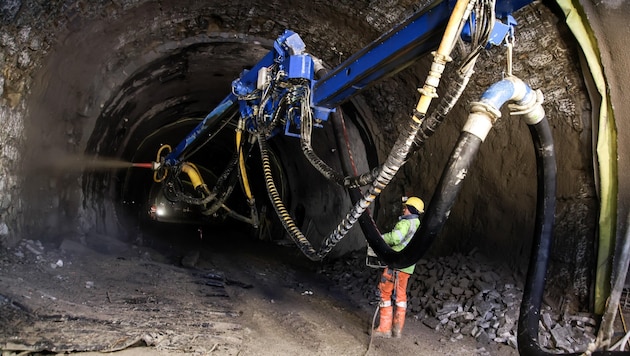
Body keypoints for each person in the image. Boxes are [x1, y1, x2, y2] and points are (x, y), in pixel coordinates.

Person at [372, 196, 424, 338]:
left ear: (411, 210)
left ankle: (384, 329)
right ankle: (397, 329)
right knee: (401, 295)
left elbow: (395, 238)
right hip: (407, 267)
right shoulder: (419, 225)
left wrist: (380, 239)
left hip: (396, 263)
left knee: (384, 292)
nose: (404, 209)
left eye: (406, 207)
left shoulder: (405, 223)